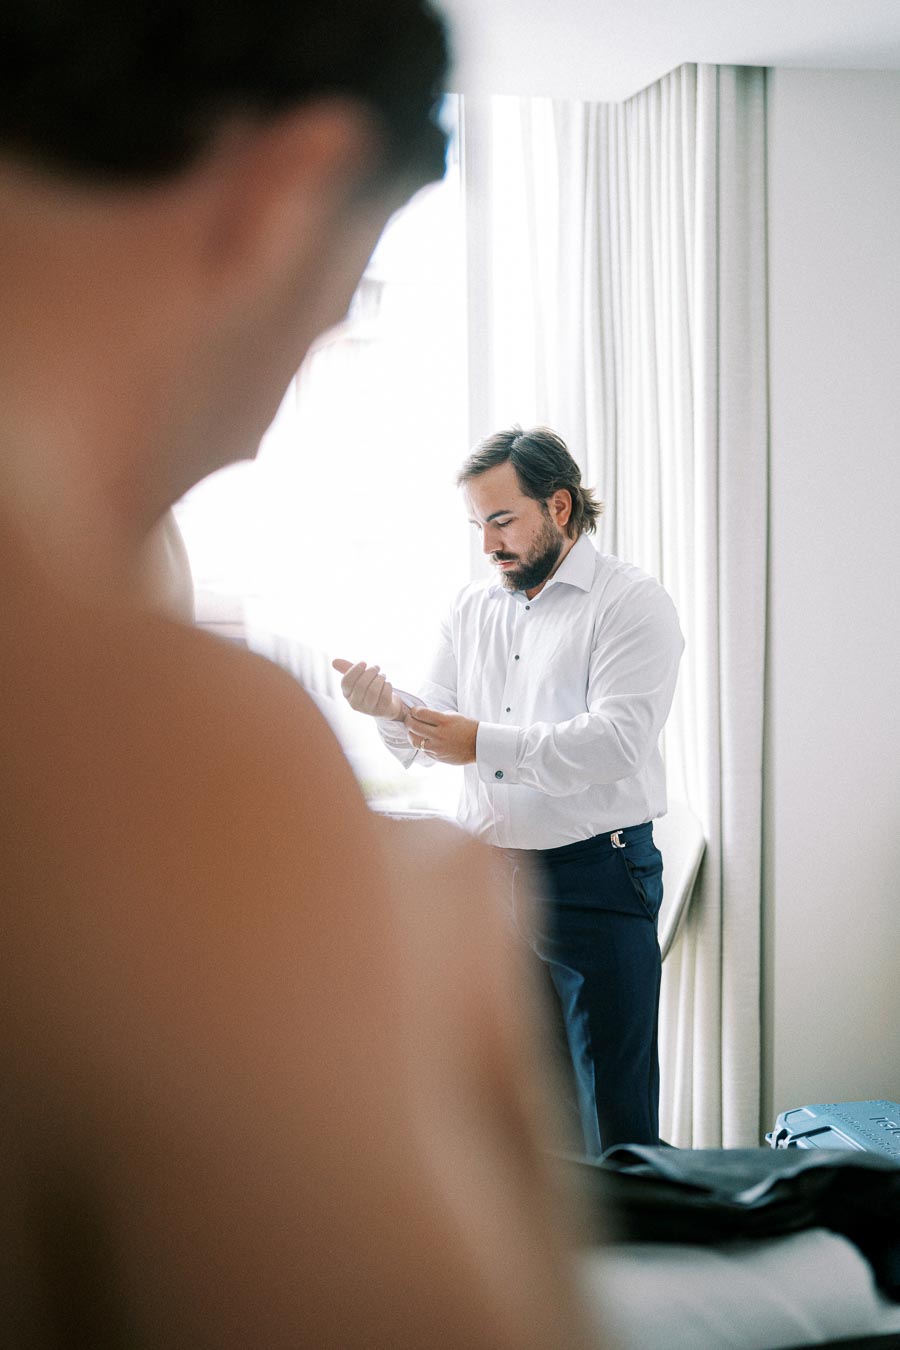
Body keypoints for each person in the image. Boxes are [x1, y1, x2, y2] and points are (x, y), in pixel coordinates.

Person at [0, 8, 605, 1347]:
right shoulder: (162, 737)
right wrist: (456, 1007)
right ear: (286, 193)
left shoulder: (630, 608)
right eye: (336, 311)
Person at [335, 425, 684, 1158]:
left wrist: (479, 743)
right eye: (477, 526)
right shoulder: (471, 608)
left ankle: (627, 1267)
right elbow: (432, 724)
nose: (488, 543)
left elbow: (617, 741)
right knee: (513, 1114)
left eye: (502, 520)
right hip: (488, 882)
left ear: (559, 507)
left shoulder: (631, 603)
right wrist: (391, 712)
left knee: (612, 1117)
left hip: (597, 876)